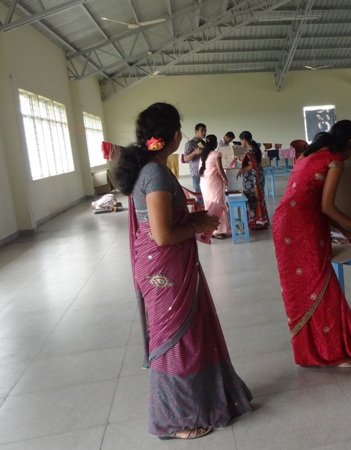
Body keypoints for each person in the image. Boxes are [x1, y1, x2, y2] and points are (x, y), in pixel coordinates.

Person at [113, 103, 252, 440]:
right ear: (175, 136)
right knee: (176, 339)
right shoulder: (156, 174)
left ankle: (203, 400)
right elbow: (162, 235)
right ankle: (176, 418)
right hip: (165, 268)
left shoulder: (151, 169)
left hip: (169, 264)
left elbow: (162, 221)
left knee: (189, 332)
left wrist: (194, 220)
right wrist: (198, 225)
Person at [271, 120, 351, 368]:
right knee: (320, 284)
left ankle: (309, 352)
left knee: (302, 288)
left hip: (284, 222)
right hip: (302, 226)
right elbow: (327, 207)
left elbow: (312, 202)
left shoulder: (309, 153)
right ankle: (331, 353)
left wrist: (346, 231)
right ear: (350, 143)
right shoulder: (335, 159)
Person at [200, 134, 231, 239]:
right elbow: (220, 169)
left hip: (205, 183)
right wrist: (226, 179)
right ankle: (219, 231)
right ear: (215, 143)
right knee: (218, 205)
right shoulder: (216, 154)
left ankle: (211, 231)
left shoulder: (203, 154)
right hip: (214, 183)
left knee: (209, 206)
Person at [238, 130, 270, 230]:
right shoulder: (254, 148)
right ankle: (262, 221)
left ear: (244, 140)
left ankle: (257, 222)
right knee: (258, 198)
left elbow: (253, 165)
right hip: (257, 177)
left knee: (253, 199)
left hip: (253, 180)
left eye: (241, 141)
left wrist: (242, 170)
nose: (241, 143)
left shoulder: (251, 150)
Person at [182, 123, 206, 203]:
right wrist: (194, 153)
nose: (204, 133)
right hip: (196, 174)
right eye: (202, 130)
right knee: (200, 196)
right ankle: (202, 209)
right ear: (196, 131)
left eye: (205, 131)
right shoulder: (190, 144)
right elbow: (185, 159)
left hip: (205, 173)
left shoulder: (203, 143)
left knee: (206, 195)